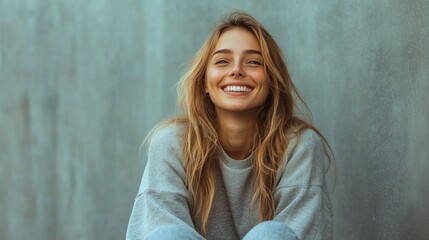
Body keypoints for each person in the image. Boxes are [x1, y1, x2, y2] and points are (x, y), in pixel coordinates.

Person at [126, 10, 334, 240]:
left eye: (253, 62)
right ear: (204, 81)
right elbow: (158, 232)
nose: (236, 70)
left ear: (271, 81)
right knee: (168, 235)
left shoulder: (298, 145)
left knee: (272, 234)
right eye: (223, 61)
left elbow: (298, 234)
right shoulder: (172, 143)